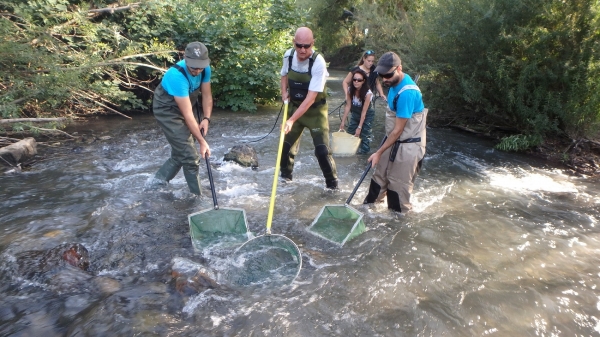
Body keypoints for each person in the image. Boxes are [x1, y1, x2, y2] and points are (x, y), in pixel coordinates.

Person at [363, 52, 428, 213]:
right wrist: (381, 153)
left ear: (399, 69)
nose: (385, 79)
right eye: (382, 75)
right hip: (393, 139)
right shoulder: (392, 84)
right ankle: (366, 214)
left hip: (409, 145)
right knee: (378, 181)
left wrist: (378, 152)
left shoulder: (407, 93)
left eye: (389, 75)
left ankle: (397, 229)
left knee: (397, 194)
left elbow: (399, 129)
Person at [280, 27, 338, 189]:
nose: (303, 50)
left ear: (313, 44)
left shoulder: (318, 62)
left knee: (322, 152)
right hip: (294, 107)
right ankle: (285, 181)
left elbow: (311, 97)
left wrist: (291, 120)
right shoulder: (288, 56)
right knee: (284, 149)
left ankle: (332, 186)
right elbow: (284, 75)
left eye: (307, 46)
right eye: (299, 46)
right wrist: (284, 91)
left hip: (315, 112)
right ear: (294, 43)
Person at [152, 41, 213, 196]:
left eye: (200, 66)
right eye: (194, 67)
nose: (197, 70)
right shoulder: (176, 76)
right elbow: (187, 115)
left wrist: (206, 118)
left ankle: (157, 183)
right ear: (185, 60)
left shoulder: (205, 70)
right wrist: (202, 141)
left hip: (184, 106)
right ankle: (197, 197)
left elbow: (207, 96)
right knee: (191, 157)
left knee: (181, 152)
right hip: (167, 111)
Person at [339, 68, 375, 154]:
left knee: (364, 135)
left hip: (367, 115)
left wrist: (359, 127)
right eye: (354, 79)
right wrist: (343, 122)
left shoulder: (368, 93)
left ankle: (363, 156)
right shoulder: (350, 90)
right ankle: (349, 152)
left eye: (359, 80)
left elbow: (364, 112)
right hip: (355, 113)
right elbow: (348, 106)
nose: (356, 82)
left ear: (363, 81)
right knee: (350, 132)